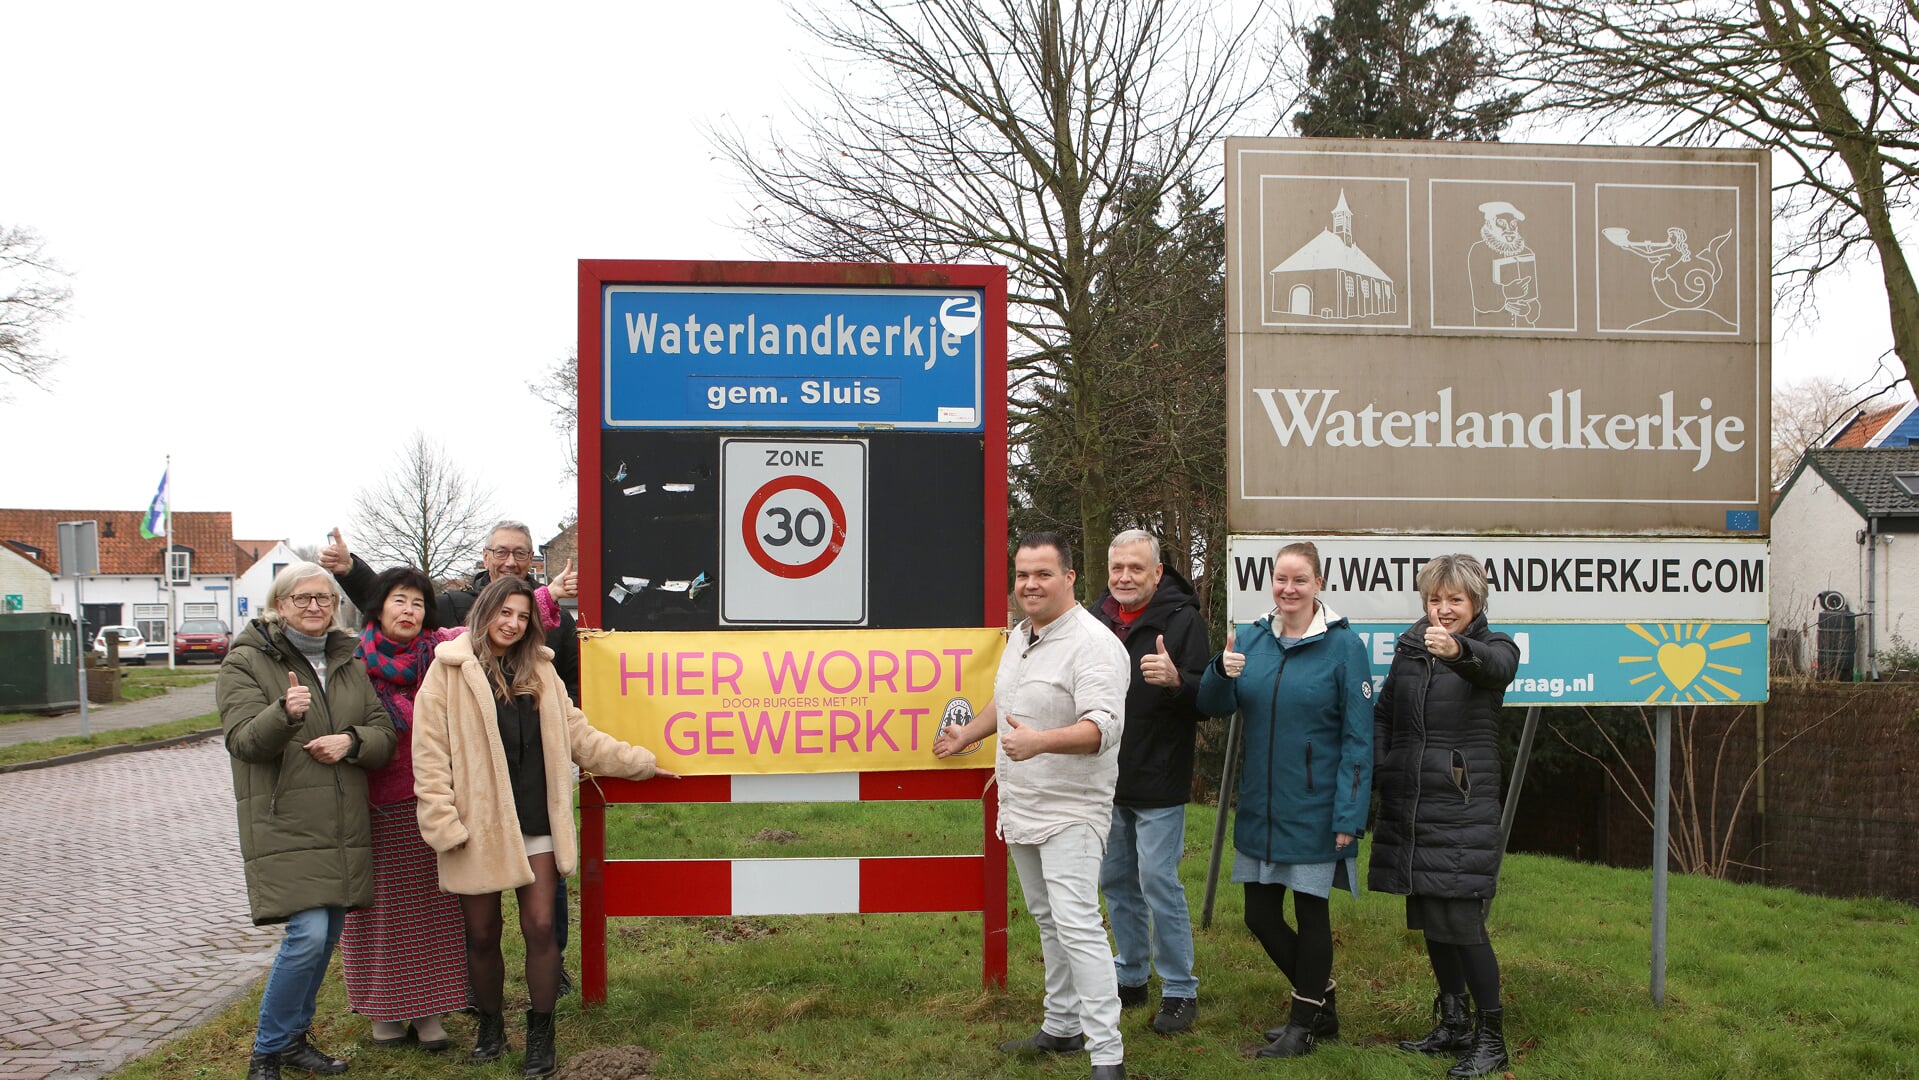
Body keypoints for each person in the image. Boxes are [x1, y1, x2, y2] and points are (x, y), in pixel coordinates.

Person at [412, 576, 674, 1078]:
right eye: (504, 612)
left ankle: (540, 1035)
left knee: (540, 927)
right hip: (477, 828)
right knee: (483, 934)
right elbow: (429, 757)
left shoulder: (542, 674)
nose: (512, 623)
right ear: (485, 609)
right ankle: (490, 1027)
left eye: (522, 616)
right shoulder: (446, 673)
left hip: (536, 823)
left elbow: (581, 737)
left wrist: (639, 762)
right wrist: (443, 825)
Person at [322, 522, 583, 991]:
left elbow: (568, 687)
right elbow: (399, 602)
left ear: (533, 560)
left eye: (521, 553)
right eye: (501, 551)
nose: (510, 560)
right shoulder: (452, 611)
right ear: (484, 555)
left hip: (529, 792)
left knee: (545, 910)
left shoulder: (552, 624)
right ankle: (425, 998)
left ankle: (548, 970)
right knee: (433, 911)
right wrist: (349, 569)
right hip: (445, 796)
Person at [936, 533, 1131, 1080]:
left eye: (1042, 574)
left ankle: (1107, 1054)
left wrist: (1040, 742)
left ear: (1070, 578)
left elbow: (1104, 728)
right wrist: (967, 736)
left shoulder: (1094, 645)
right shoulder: (1022, 636)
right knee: (1048, 919)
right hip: (1021, 803)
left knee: (1077, 924)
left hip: (1072, 808)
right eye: (1022, 574)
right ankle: (1062, 1025)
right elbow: (1010, 699)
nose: (1029, 584)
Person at [217, 563, 397, 1080]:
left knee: (327, 933)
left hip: (343, 821)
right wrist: (284, 713)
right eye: (302, 599)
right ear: (279, 605)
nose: (315, 606)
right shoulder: (246, 662)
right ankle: (267, 1051)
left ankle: (294, 1039)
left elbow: (382, 731)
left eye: (324, 597)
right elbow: (244, 741)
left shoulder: (348, 660)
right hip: (286, 818)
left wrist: (352, 742)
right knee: (309, 934)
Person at [1197, 540, 1372, 1060]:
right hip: (1262, 805)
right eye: (1281, 579)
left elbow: (1360, 740)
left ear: (1319, 584)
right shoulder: (1250, 638)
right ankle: (1322, 1002)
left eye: (1300, 580)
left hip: (1317, 810)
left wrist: (1349, 814)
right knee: (1259, 916)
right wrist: (1219, 668)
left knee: (1312, 916)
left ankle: (1303, 1025)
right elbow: (1212, 706)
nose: (1288, 589)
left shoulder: (1345, 648)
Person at [1369, 555, 1519, 1079]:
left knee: (1462, 919)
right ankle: (1454, 1021)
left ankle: (1491, 1037)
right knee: (1433, 916)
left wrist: (1457, 651)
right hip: (1412, 801)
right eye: (1435, 599)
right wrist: (1386, 763)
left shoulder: (1496, 646)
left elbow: (1494, 668)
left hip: (1461, 803)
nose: (1443, 609)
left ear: (1475, 603)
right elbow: (1384, 713)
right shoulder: (1409, 650)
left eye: (1455, 600)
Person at [1088, 529, 1209, 1034]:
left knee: (1157, 880)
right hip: (1103, 776)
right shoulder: (1093, 620)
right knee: (1115, 881)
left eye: (1136, 568)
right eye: (1117, 568)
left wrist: (1178, 681)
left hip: (1159, 776)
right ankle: (1131, 974)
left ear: (1157, 573)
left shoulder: (1184, 620)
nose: (1124, 577)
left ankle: (1180, 989)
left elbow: (1209, 699)